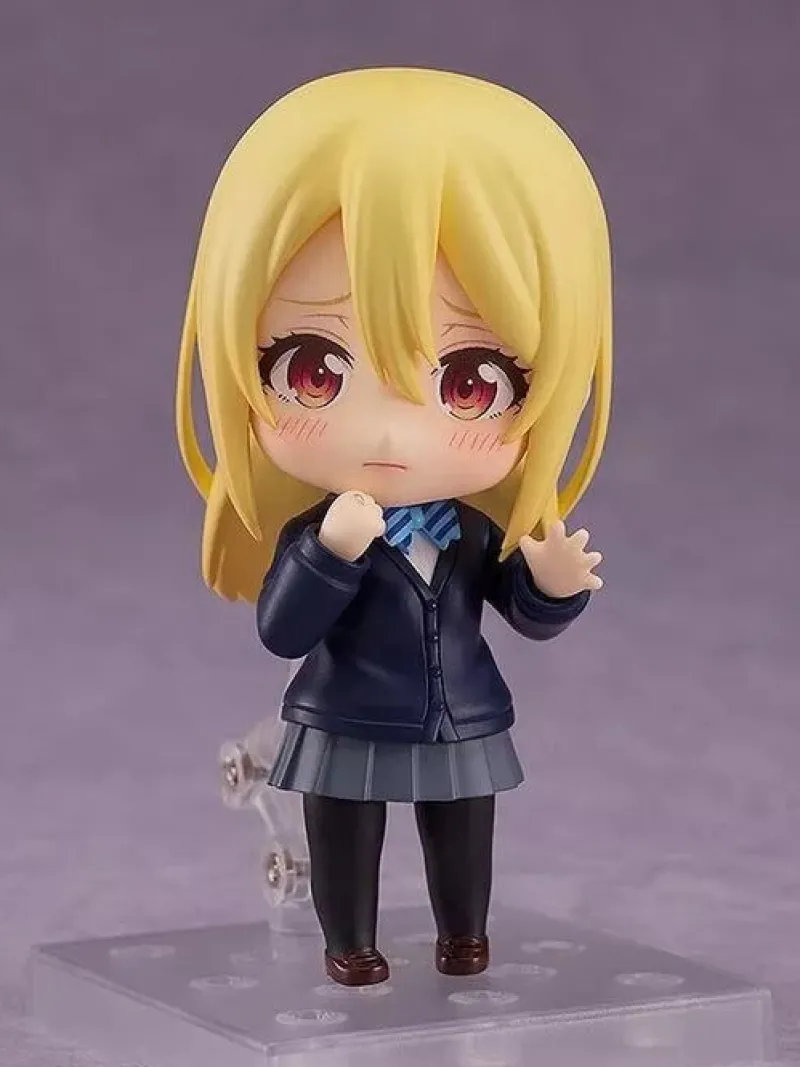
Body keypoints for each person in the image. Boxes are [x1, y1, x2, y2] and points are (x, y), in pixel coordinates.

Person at [175, 67, 612, 987]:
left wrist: (554, 586)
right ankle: (350, 942)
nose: (390, 434)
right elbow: (282, 629)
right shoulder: (323, 527)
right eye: (314, 370)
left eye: (473, 383)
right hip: (343, 710)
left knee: (464, 825)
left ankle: (464, 934)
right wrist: (330, 554)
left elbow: (522, 609)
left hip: (462, 710)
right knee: (344, 828)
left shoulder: (470, 532)